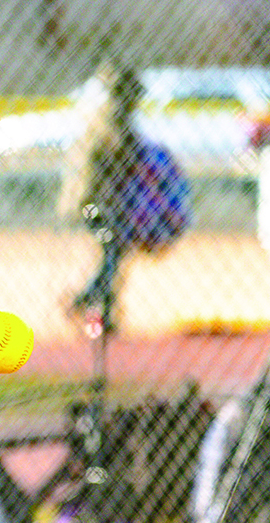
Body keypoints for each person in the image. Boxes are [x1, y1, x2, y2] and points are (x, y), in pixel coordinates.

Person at [64, 64, 190, 333]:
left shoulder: (110, 117)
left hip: (105, 200)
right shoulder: (111, 119)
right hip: (95, 201)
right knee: (113, 252)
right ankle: (88, 300)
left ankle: (100, 309)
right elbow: (121, 155)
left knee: (114, 253)